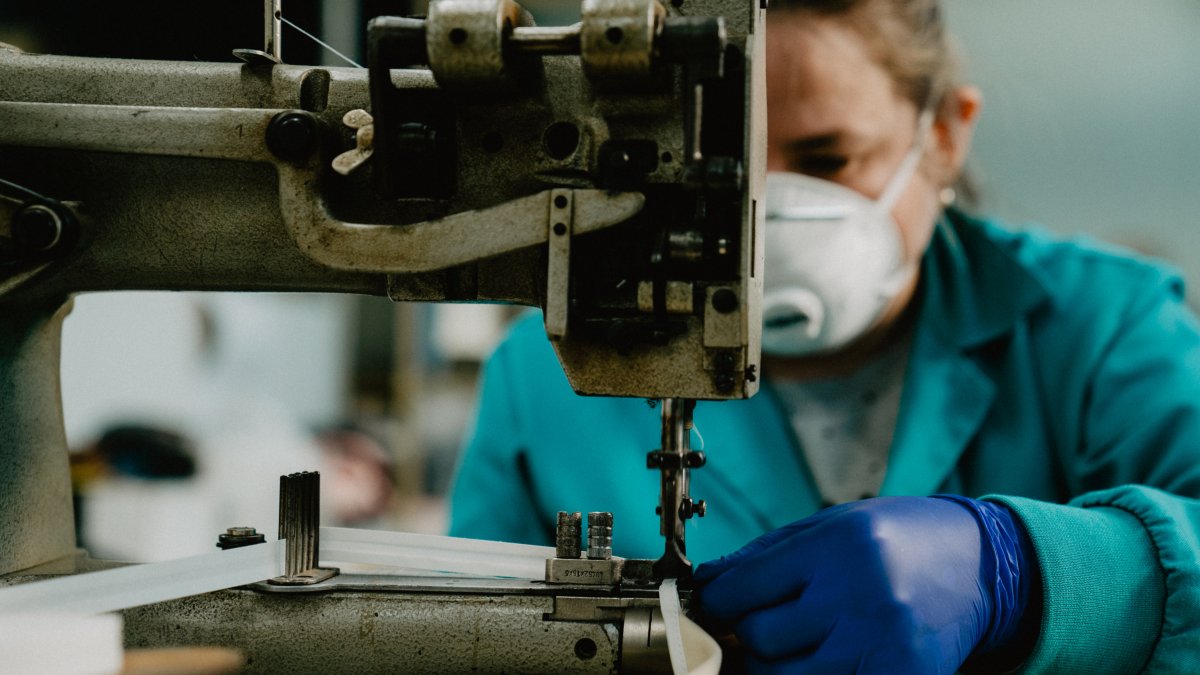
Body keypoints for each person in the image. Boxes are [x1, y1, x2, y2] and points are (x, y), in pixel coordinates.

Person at [449, 0, 1200, 671]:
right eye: (723, 167)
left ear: (942, 135)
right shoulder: (546, 368)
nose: (763, 214)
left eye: (827, 159)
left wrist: (1021, 575)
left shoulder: (1107, 324)